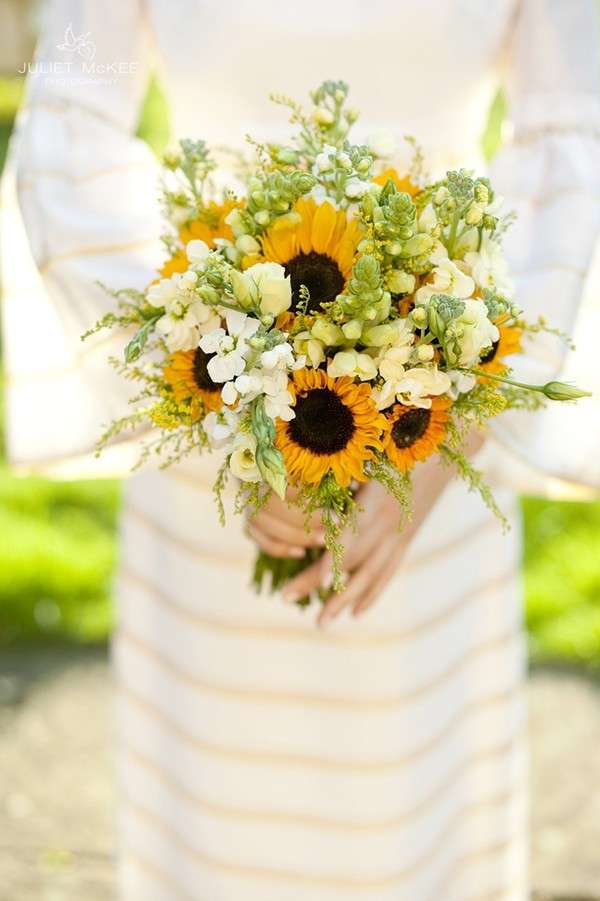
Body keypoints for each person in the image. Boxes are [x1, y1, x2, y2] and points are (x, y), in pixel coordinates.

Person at [2, 1, 599, 898]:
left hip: (431, 470)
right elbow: (65, 119)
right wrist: (211, 404)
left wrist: (445, 436)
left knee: (414, 822)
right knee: (217, 830)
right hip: (202, 466)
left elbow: (571, 133)